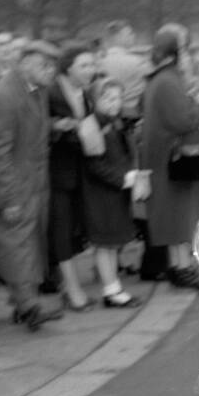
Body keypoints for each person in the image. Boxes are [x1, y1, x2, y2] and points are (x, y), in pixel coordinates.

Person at [0, 39, 64, 331]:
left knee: (29, 244)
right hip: (15, 185)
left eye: (53, 66)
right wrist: (7, 199)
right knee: (17, 245)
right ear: (24, 63)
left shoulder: (36, 90)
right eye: (44, 65)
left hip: (34, 182)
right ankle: (28, 306)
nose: (51, 72)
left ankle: (25, 304)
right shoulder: (3, 96)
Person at [140, 24, 199, 289]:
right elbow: (182, 121)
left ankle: (180, 266)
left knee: (177, 215)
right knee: (180, 215)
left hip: (169, 157)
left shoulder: (165, 78)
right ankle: (182, 268)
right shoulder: (168, 80)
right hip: (174, 159)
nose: (187, 54)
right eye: (183, 49)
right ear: (174, 53)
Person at [79, 79, 141, 308]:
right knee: (105, 243)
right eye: (109, 99)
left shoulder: (113, 122)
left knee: (112, 243)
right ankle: (111, 289)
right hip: (101, 194)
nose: (116, 103)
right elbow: (95, 165)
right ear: (95, 101)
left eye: (118, 98)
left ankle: (113, 286)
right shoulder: (92, 126)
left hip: (112, 192)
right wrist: (123, 179)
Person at [46, 43, 99, 310]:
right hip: (56, 173)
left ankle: (68, 283)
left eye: (92, 64)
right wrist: (64, 129)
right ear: (68, 68)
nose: (91, 70)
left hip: (79, 171)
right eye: (84, 65)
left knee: (74, 228)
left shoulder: (85, 94)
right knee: (61, 230)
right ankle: (71, 287)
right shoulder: (53, 92)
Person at [100, 20, 148, 121]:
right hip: (132, 115)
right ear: (118, 36)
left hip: (106, 115)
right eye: (129, 34)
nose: (133, 36)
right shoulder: (138, 62)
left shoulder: (98, 63)